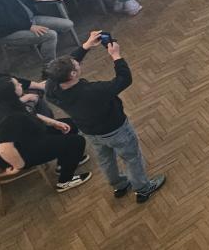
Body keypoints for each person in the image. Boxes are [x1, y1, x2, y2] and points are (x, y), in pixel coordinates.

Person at [43, 35, 166, 202]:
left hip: (90, 132)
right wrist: (116, 55)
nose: (78, 62)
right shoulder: (93, 91)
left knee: (105, 159)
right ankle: (143, 189)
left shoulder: (52, 88)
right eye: (76, 64)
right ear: (73, 74)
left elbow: (65, 66)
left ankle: (119, 185)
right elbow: (124, 80)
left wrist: (85, 46)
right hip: (116, 130)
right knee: (132, 157)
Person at [0, 77, 92, 192]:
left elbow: (30, 114)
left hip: (28, 137)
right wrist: (18, 166)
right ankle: (65, 181)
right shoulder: (8, 119)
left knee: (70, 125)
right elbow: (4, 149)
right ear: (10, 93)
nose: (21, 85)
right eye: (17, 85)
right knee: (77, 142)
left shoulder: (5, 105)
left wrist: (55, 123)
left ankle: (64, 164)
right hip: (23, 152)